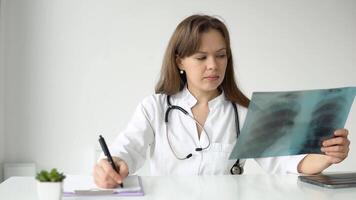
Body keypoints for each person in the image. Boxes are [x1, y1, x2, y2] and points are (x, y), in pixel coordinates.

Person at [93, 14, 350, 189]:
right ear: (180, 61)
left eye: (221, 55)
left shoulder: (246, 113)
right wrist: (112, 165)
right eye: (201, 57)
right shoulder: (155, 108)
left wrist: (327, 157)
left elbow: (286, 163)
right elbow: (126, 152)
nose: (213, 66)